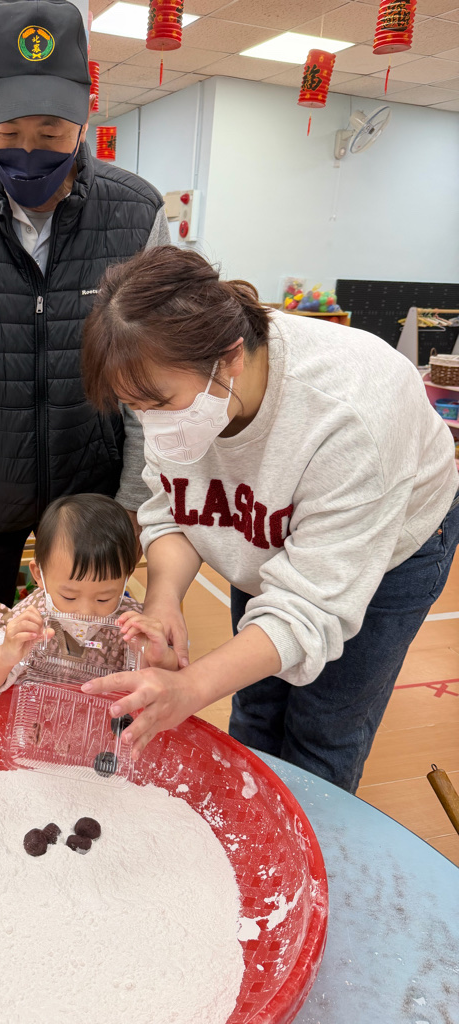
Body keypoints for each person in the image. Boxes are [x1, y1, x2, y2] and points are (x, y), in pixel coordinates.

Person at [79, 245, 459, 793]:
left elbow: (311, 605)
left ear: (230, 358)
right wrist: (162, 603)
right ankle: (250, 817)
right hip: (263, 521)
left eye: (160, 404)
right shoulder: (180, 387)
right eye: (134, 407)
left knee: (323, 729)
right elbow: (175, 509)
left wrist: (191, 689)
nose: (151, 426)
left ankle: (307, 840)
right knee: (256, 706)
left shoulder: (350, 411)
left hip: (388, 549)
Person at [0, 0, 171, 698]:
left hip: (93, 487)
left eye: (51, 132)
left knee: (90, 647)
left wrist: (133, 495)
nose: (29, 150)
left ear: (87, 111)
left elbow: (151, 376)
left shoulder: (138, 213)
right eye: (8, 131)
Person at [0, 494, 177, 694]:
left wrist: (160, 658)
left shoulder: (133, 625)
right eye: (69, 597)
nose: (85, 612)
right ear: (39, 575)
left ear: (125, 579)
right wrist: (5, 655)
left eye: (103, 598)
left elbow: (169, 684)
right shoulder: (28, 618)